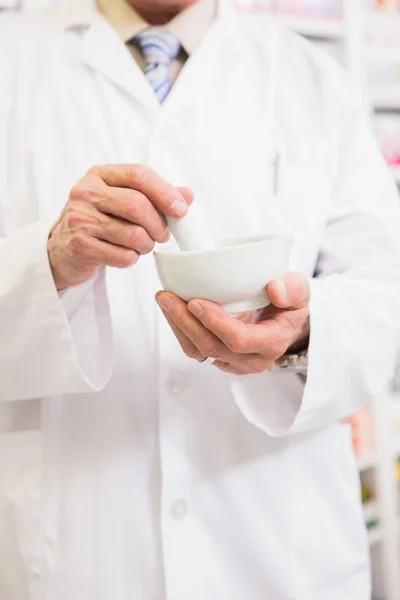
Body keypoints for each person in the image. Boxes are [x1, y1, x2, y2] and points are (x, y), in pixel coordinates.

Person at [0, 0, 399, 598]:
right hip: (80, 554)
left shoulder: (308, 75)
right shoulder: (14, 56)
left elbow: (383, 290)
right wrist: (49, 261)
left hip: (278, 547)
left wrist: (304, 333)